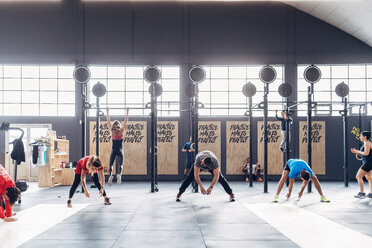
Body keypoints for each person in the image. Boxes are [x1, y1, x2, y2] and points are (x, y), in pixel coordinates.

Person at [106, 107, 129, 185]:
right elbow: (126, 121)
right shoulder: (121, 131)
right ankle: (119, 175)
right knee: (121, 164)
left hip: (113, 150)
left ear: (113, 125)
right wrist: (127, 111)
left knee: (111, 164)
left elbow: (108, 120)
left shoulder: (112, 131)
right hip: (120, 150)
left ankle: (110, 175)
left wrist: (107, 111)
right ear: (119, 125)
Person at [350, 131, 372, 198]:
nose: (360, 137)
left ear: (365, 137)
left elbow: (366, 153)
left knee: (358, 176)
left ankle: (362, 193)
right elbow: (365, 153)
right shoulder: (367, 143)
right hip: (368, 162)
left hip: (368, 163)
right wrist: (357, 152)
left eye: (361, 136)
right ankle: (371, 193)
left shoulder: (367, 143)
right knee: (369, 178)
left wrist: (357, 151)